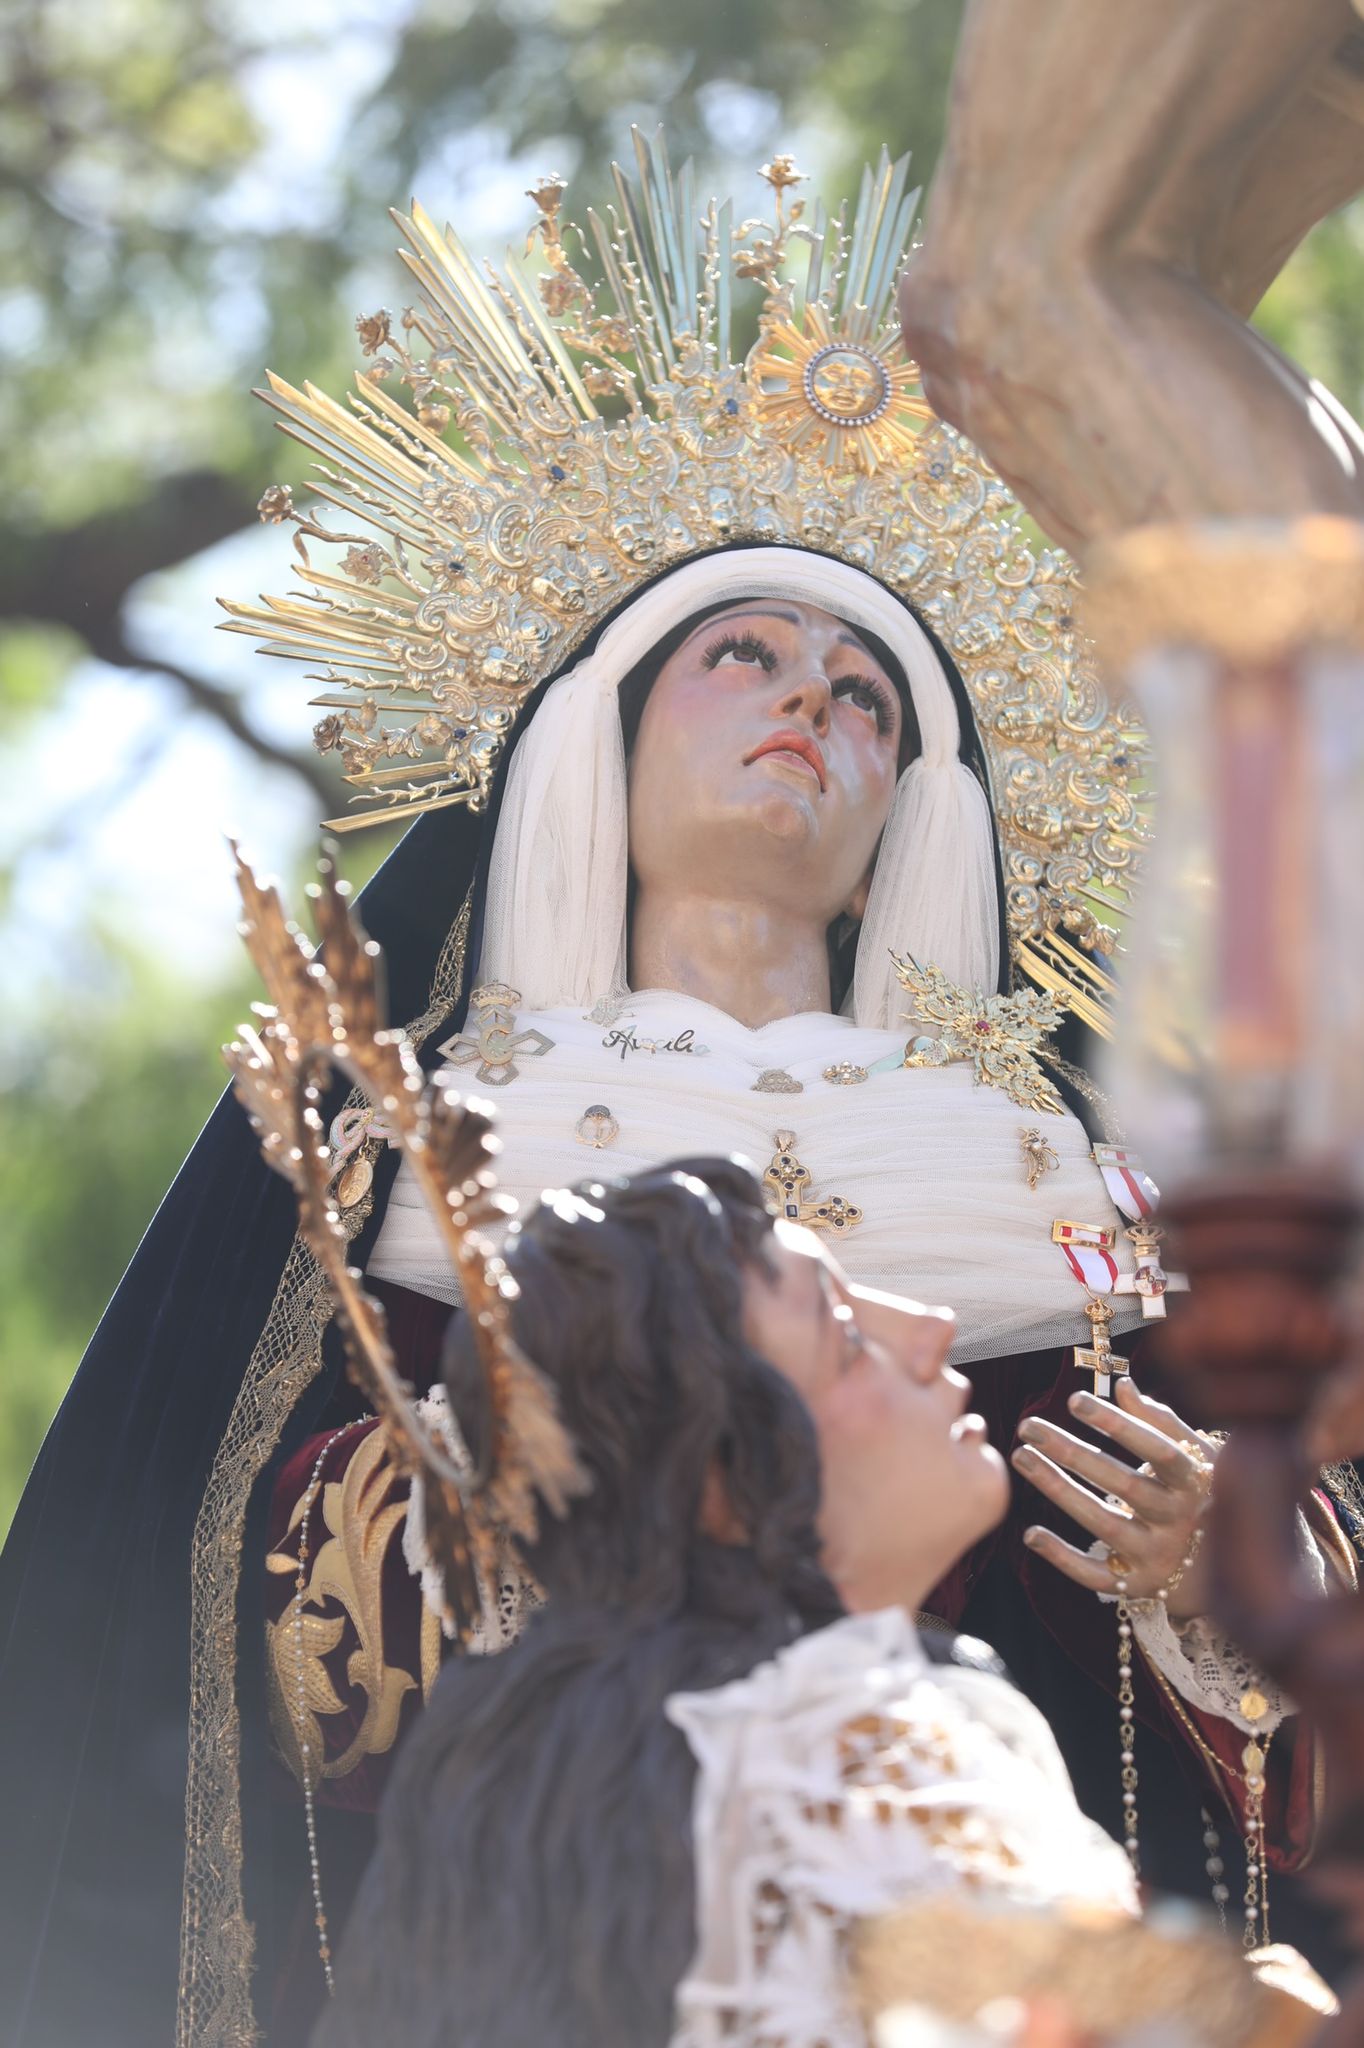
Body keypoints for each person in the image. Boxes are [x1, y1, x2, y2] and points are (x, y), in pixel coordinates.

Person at [0, 133, 1352, 2046]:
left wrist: (1229, 1593)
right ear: (598, 734)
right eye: (744, 651)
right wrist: (476, 1505)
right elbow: (179, 1610)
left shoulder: (1069, 1184)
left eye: (868, 693)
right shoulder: (409, 1139)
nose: (815, 702)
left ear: (921, 804)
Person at [315, 1156, 1138, 2048]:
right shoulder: (854, 1776)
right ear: (716, 1484)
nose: (934, 1325)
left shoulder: (531, 1763)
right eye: (846, 1337)